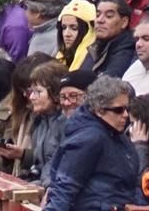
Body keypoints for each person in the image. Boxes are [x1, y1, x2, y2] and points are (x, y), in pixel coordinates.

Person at [40, 76, 140, 211]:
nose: (126, 114)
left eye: (127, 108)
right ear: (99, 110)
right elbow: (65, 187)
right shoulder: (89, 139)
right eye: (118, 110)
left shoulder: (116, 135)